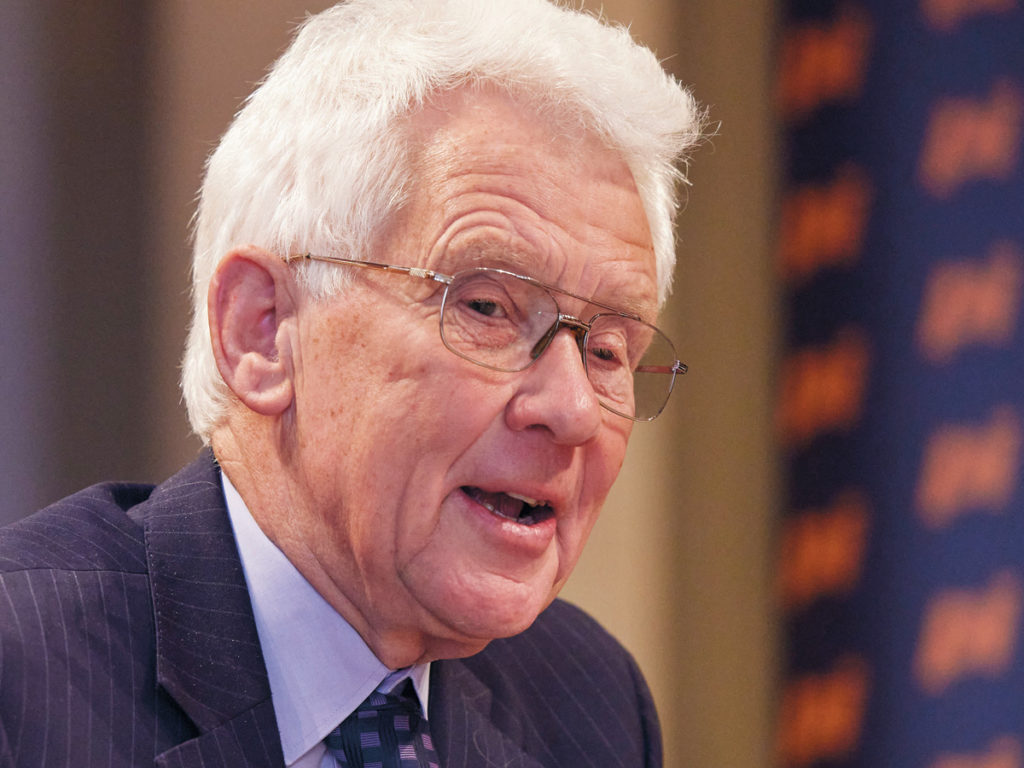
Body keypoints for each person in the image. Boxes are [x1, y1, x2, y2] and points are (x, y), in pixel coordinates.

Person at [0, 0, 704, 766]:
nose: (571, 409)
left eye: (607, 351)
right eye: (487, 308)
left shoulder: (590, 707)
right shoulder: (22, 678)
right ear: (263, 330)